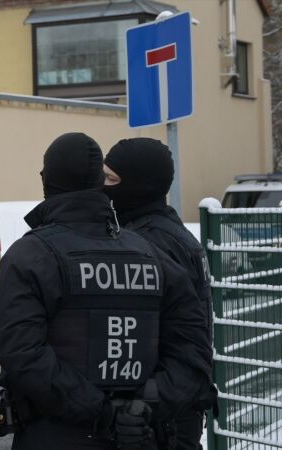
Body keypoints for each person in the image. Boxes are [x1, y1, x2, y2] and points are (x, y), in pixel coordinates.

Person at [0, 133, 211, 450]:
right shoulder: (152, 255)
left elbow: (21, 354)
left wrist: (104, 413)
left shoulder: (31, 256)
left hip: (55, 435)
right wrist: (140, 409)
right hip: (140, 436)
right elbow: (192, 350)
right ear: (98, 184)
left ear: (45, 180)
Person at [103, 138, 214, 450]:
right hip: (172, 406)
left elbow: (173, 341)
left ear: (141, 184)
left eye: (111, 179)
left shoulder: (152, 243)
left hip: (162, 416)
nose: (103, 187)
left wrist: (141, 405)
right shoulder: (168, 231)